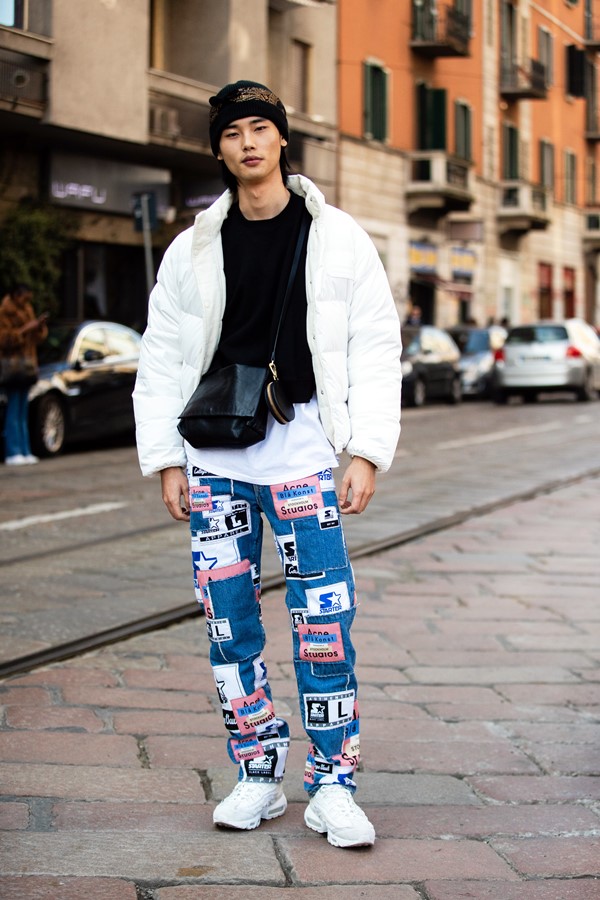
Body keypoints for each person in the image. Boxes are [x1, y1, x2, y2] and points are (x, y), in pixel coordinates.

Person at [133, 80, 402, 849]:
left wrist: (366, 451)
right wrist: (165, 461)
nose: (248, 143)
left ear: (283, 141)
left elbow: (375, 346)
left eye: (261, 129)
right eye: (232, 133)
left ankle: (332, 786)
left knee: (325, 624)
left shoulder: (339, 237)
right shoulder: (192, 248)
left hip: (306, 454)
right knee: (229, 626)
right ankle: (257, 772)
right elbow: (159, 356)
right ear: (217, 148)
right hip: (213, 458)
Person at [0, 284, 48, 465]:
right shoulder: (5, 312)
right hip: (12, 367)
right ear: (15, 296)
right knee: (13, 409)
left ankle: (24, 449)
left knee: (22, 409)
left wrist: (39, 327)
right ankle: (12, 451)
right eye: (24, 298)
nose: (27, 302)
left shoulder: (27, 310)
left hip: (27, 366)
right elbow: (3, 339)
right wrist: (26, 328)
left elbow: (38, 339)